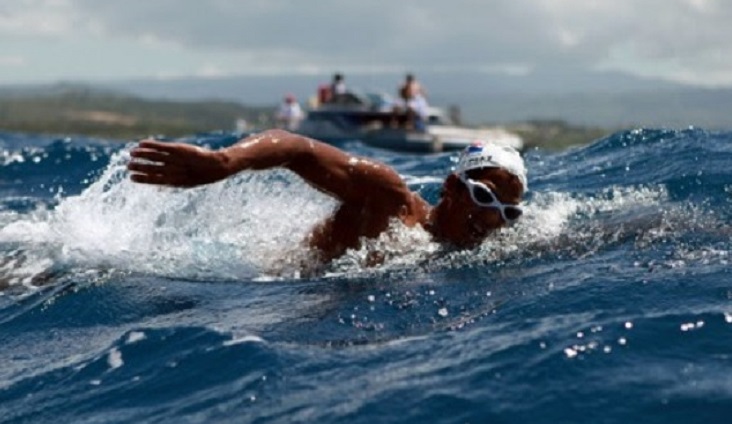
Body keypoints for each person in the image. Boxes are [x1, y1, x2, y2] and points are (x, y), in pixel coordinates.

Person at [127, 131, 527, 263]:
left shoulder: (477, 251)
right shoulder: (387, 200)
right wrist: (225, 162)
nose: (492, 220)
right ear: (451, 187)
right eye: (483, 197)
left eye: (508, 213)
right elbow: (297, 147)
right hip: (254, 285)